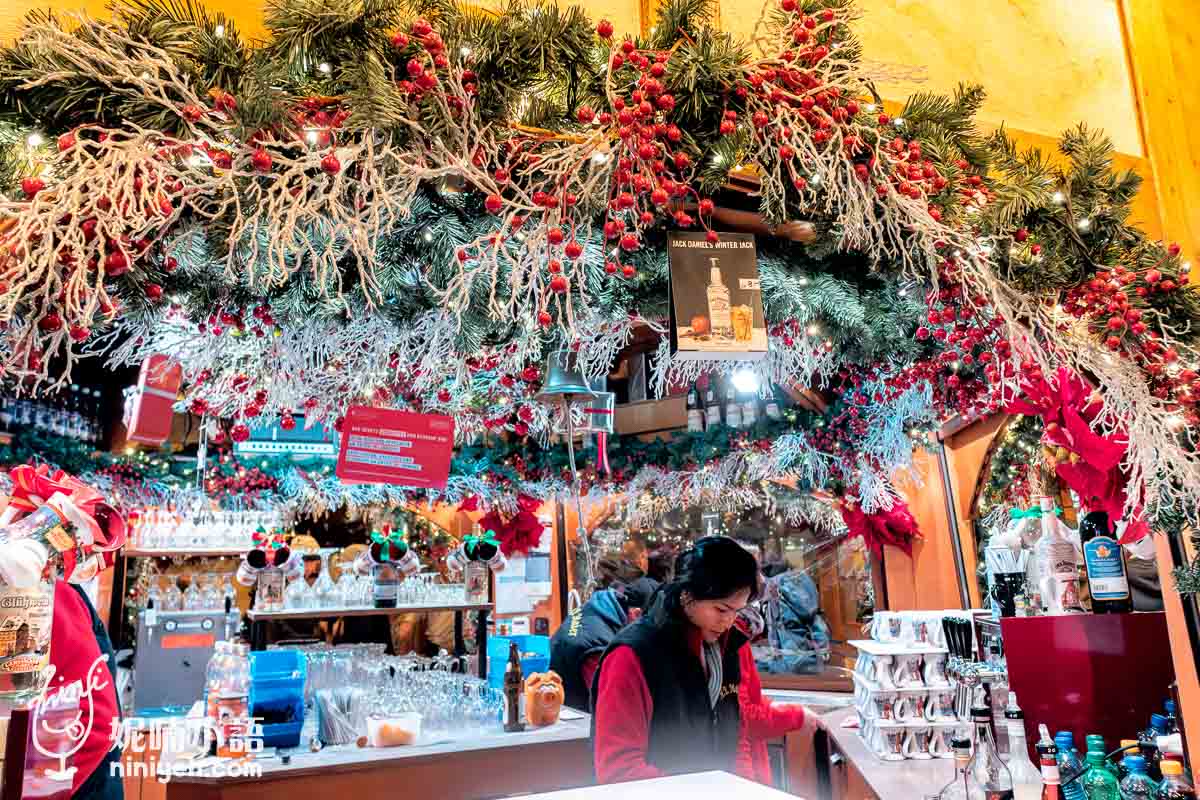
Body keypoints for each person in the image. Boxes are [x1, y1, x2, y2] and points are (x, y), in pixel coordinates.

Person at [591, 537, 808, 784]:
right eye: (721, 609)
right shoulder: (633, 655)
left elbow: (734, 729)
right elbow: (618, 771)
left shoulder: (727, 646)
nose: (728, 622)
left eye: (737, 610)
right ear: (687, 596)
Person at [549, 578, 659, 711]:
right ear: (636, 614)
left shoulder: (599, 607)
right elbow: (613, 705)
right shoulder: (598, 647)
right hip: (568, 715)